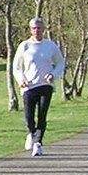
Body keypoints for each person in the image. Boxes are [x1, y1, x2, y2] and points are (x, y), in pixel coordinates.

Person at [12, 16, 66, 157]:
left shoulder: (50, 46)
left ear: (43, 29)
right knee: (29, 117)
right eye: (34, 28)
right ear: (30, 30)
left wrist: (53, 75)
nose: (37, 31)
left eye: (39, 28)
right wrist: (20, 79)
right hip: (29, 86)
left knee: (42, 115)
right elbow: (16, 67)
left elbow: (60, 63)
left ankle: (38, 143)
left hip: (45, 85)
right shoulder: (24, 46)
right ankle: (32, 133)